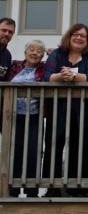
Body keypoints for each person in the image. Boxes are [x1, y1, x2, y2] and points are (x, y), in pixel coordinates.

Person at [42, 23, 88, 197]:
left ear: (87, 39)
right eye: (75, 34)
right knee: (54, 144)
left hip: (84, 109)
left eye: (83, 36)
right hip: (58, 107)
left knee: (81, 146)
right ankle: (52, 187)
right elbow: (47, 75)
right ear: (69, 36)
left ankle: (79, 189)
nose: (79, 38)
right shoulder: (57, 53)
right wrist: (61, 76)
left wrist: (74, 76)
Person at [7, 39, 46, 197]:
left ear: (42, 55)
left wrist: (52, 52)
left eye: (39, 51)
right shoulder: (15, 66)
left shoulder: (44, 69)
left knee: (33, 152)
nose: (35, 53)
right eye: (32, 50)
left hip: (34, 116)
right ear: (25, 52)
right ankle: (12, 189)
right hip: (14, 116)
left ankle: (31, 191)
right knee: (14, 151)